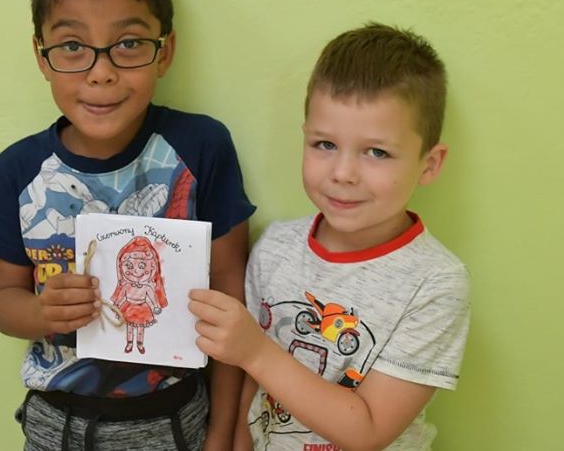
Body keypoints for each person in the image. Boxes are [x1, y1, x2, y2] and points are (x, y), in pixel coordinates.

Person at [0, 0, 255, 451]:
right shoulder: (18, 171)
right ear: (41, 55)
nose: (101, 73)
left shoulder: (202, 148)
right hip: (58, 425)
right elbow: (2, 301)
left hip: (176, 422)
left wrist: (222, 434)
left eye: (128, 44)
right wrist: (41, 312)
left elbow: (233, 298)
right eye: (73, 46)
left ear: (164, 51)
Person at [189, 23, 470, 450]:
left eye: (377, 152)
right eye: (324, 144)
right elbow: (253, 392)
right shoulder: (275, 248)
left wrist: (254, 351)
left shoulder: (435, 283)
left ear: (429, 164)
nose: (343, 173)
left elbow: (368, 431)